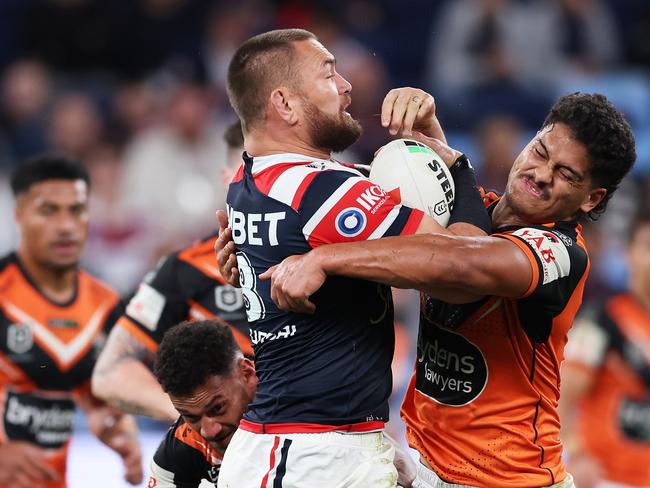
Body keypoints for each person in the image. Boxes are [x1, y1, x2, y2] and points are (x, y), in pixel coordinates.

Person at [221, 92, 636, 487]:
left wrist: (325, 259)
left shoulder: (560, 252)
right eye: (541, 152)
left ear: (590, 198)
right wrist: (256, 261)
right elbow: (395, 224)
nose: (541, 174)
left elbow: (459, 263)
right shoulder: (467, 212)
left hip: (510, 479)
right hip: (425, 467)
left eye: (566, 175)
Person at [216, 28, 491, 488]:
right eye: (329, 74)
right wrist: (457, 165)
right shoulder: (319, 189)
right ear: (284, 104)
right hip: (311, 455)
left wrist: (429, 144)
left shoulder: (252, 178)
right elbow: (464, 267)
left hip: (307, 443)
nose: (346, 86)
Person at [91, 120, 251, 423]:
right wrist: (197, 417)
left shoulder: (325, 260)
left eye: (275, 176)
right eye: (248, 173)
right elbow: (110, 372)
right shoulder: (186, 268)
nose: (261, 188)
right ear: (226, 178)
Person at [0, 153, 142, 488]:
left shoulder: (105, 305)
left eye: (76, 210)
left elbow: (97, 397)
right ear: (19, 216)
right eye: (49, 211)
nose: (65, 226)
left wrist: (121, 433)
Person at [559, 212, 650, 488]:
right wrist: (576, 453)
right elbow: (560, 397)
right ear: (627, 254)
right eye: (648, 247)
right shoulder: (601, 321)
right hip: (608, 479)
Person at [148, 319, 257, 488]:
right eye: (191, 417)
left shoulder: (303, 407)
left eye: (217, 408)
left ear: (247, 374)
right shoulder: (183, 445)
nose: (209, 431)